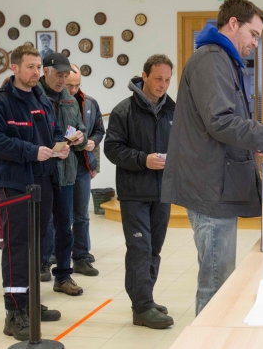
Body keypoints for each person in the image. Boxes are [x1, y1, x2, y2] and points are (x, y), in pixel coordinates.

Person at [162, 0, 263, 316]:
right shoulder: (212, 60)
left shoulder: (223, 60)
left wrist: (249, 143)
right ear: (233, 24)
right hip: (210, 188)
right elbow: (221, 123)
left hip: (218, 185)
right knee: (216, 283)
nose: (256, 44)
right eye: (254, 34)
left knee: (220, 278)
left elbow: (224, 125)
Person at [0, 44, 67, 341]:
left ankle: (29, 303)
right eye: (30, 67)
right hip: (16, 184)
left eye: (38, 67)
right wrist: (31, 151)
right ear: (14, 68)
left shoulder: (41, 98)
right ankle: (14, 313)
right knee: (17, 248)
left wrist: (60, 146)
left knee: (36, 245)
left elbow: (51, 132)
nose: (36, 72)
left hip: (43, 183)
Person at [104, 54, 176, 329]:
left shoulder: (172, 110)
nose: (162, 85)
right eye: (158, 78)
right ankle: (141, 307)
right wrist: (143, 159)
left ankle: (145, 299)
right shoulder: (124, 111)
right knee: (140, 249)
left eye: (167, 80)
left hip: (163, 192)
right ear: (144, 76)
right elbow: (112, 148)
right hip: (134, 192)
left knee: (154, 249)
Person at [37, 53, 87, 295]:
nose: (63, 80)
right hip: (40, 174)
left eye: (66, 76)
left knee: (64, 226)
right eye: (59, 75)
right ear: (45, 71)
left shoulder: (70, 100)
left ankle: (63, 276)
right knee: (40, 225)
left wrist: (80, 138)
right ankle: (39, 266)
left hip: (66, 173)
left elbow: (81, 129)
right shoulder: (33, 98)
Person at [66, 64, 105, 273]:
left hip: (83, 165)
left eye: (77, 85)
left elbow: (100, 130)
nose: (73, 89)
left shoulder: (90, 103)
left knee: (82, 214)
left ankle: (81, 256)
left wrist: (92, 142)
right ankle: (54, 254)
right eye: (69, 85)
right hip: (60, 165)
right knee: (60, 214)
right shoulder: (52, 102)